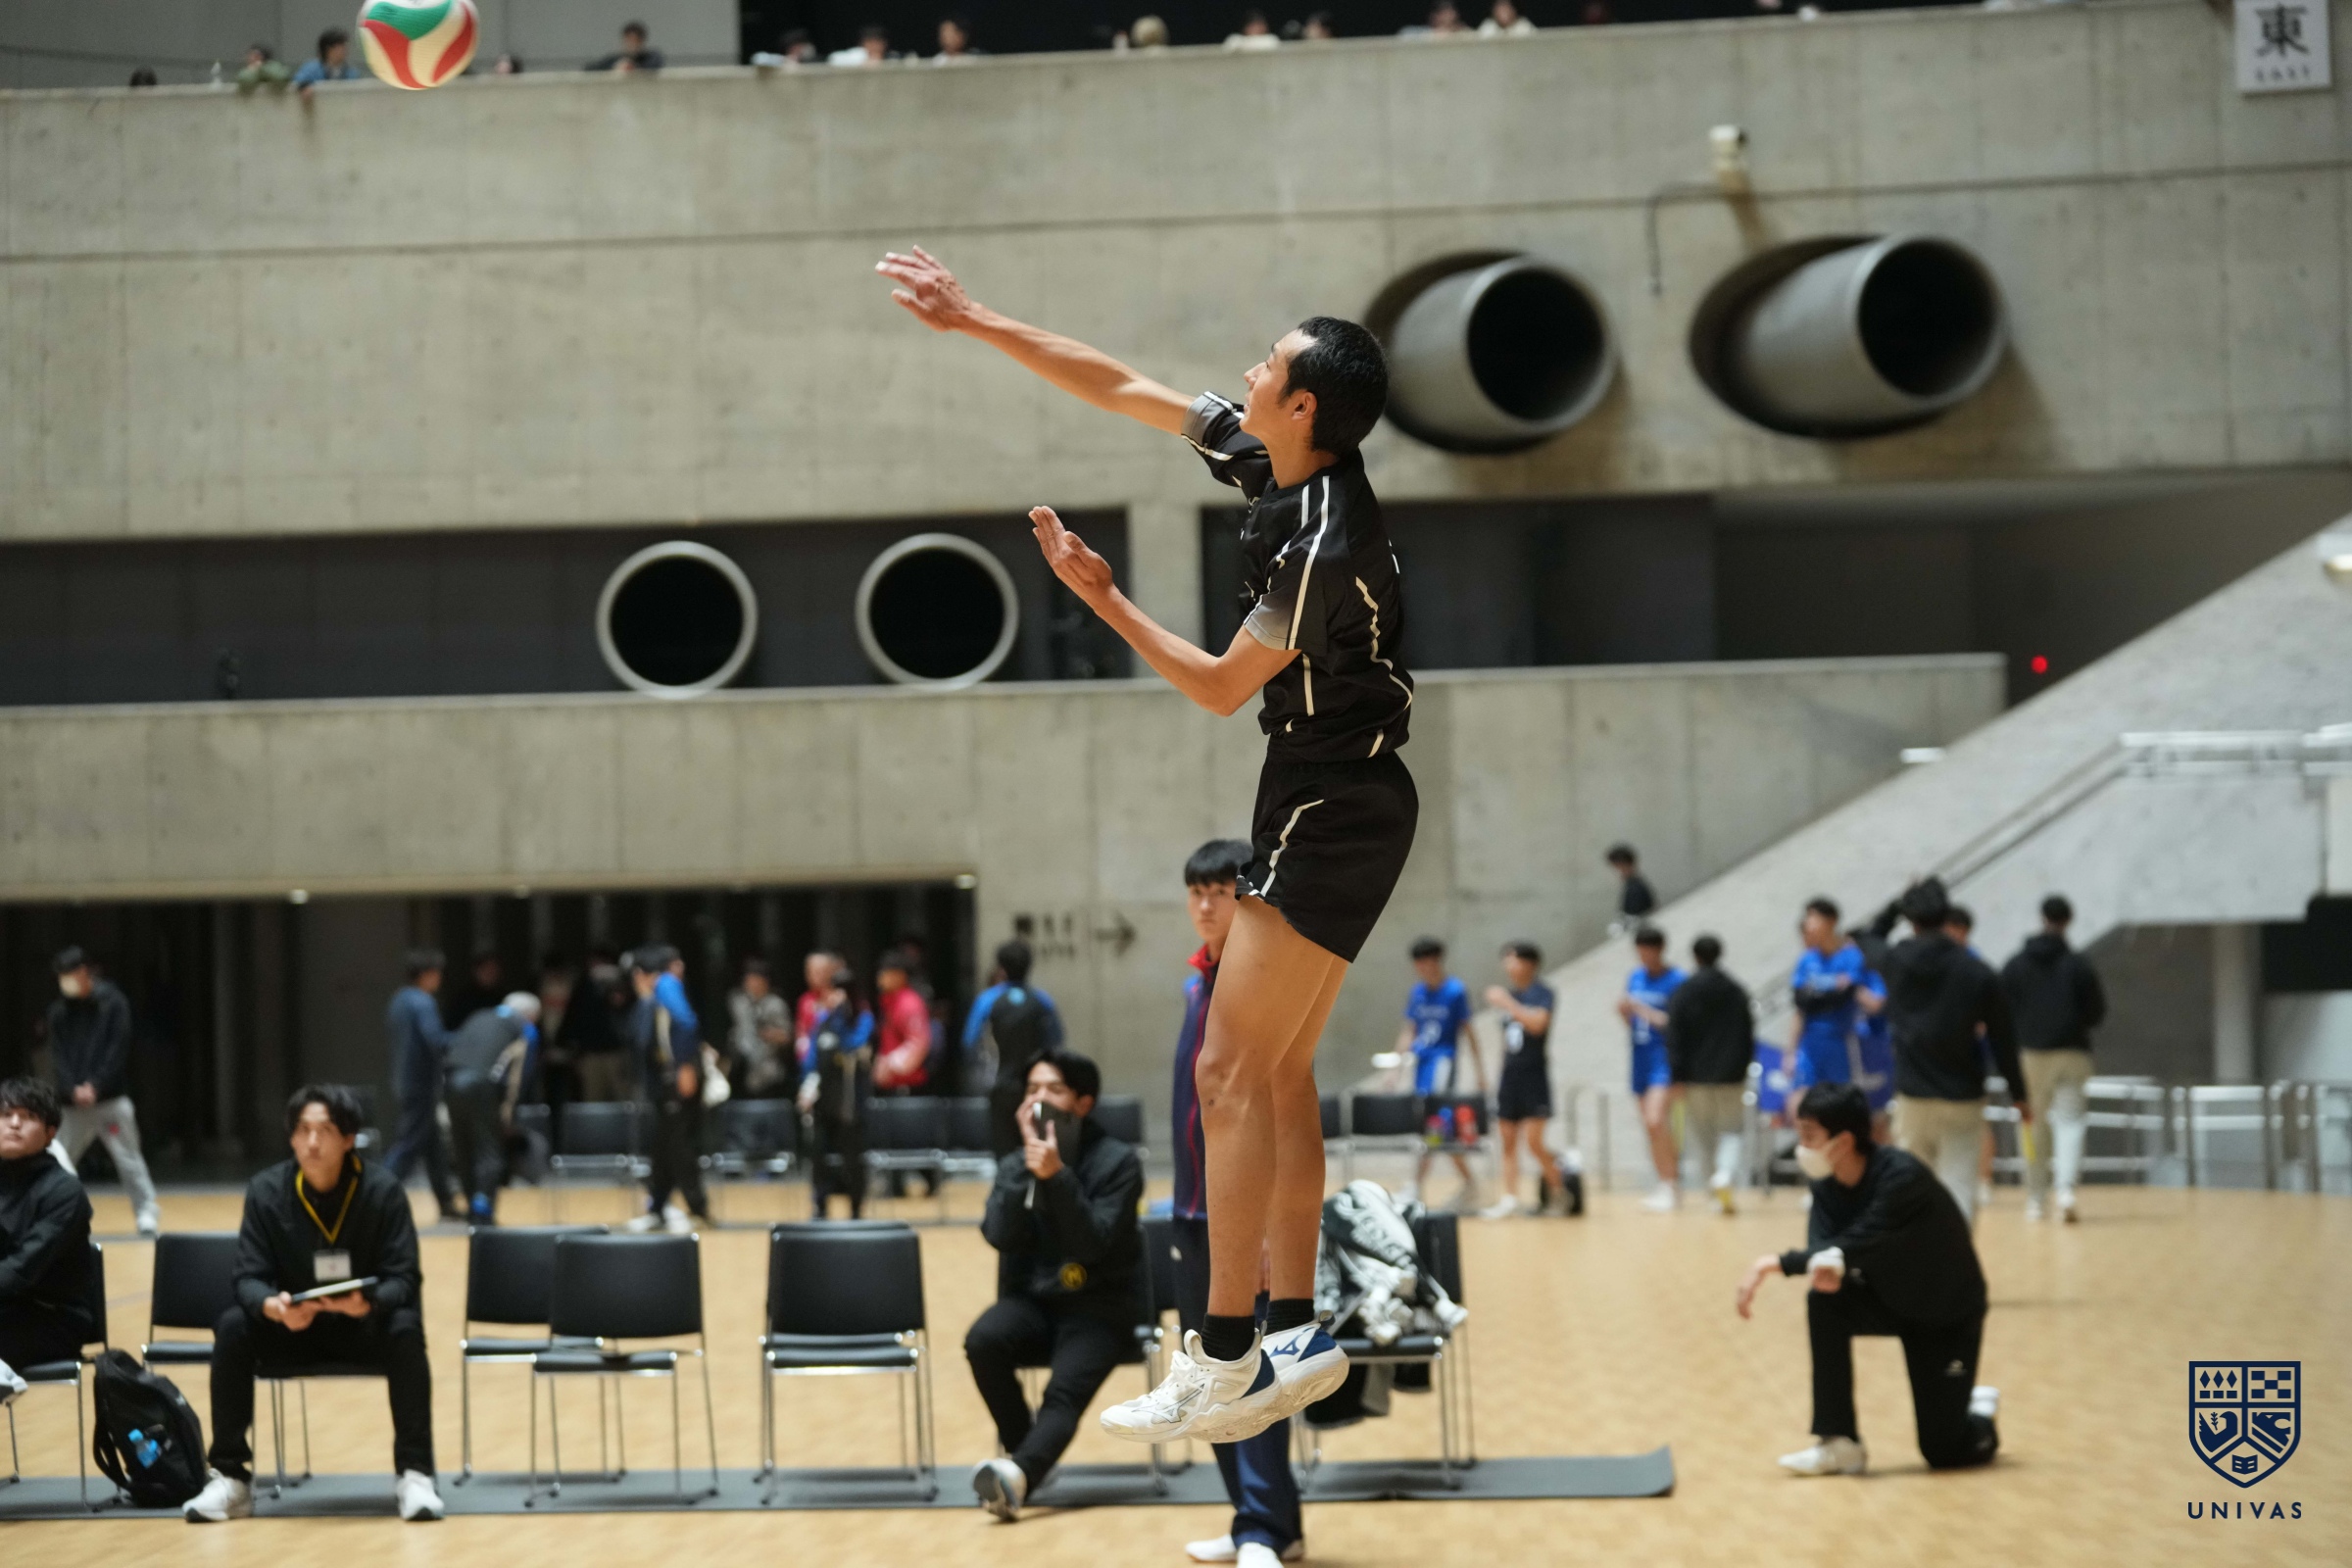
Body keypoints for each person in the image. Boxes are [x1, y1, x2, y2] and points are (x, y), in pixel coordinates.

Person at [875, 246, 1408, 1446]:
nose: (1247, 372)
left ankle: (1220, 1355)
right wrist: (974, 319)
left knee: (1224, 1070)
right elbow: (1121, 386)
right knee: (1275, 1071)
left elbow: (1220, 687)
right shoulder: (1274, 459)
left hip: (1334, 801)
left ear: (1304, 406)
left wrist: (1102, 597)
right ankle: (1293, 1331)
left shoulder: (1325, 542)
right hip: (1333, 792)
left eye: (1267, 365)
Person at [185, 1085, 442, 1523]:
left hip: (361, 1326)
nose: (312, 1142)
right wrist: (273, 1307)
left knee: (405, 1326)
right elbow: (247, 1278)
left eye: (324, 1131)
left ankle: (415, 1475)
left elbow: (405, 1278)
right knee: (233, 1326)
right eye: (303, 1131)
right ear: (291, 1138)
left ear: (349, 1139)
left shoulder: (383, 1192)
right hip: (294, 1327)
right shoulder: (267, 1191)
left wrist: (369, 1303)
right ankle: (230, 1478)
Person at [1734, 1083, 2001, 1479]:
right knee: (1824, 1302)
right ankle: (1840, 1442)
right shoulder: (1826, 1183)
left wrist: (1776, 1263)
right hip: (1886, 1296)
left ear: (1842, 1142)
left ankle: (1980, 1413)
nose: (1801, 1147)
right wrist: (1823, 1271)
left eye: (1808, 1136)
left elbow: (1863, 1238)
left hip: (1943, 1313)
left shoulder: (1902, 1177)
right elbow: (1825, 1246)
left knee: (1943, 1451)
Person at [1166, 840, 1305, 1565]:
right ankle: (1257, 1517)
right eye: (1195, 892)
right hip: (1191, 1214)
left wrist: (1265, 1235)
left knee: (1249, 1376)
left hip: (1239, 1222)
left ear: (1247, 900)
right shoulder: (1200, 983)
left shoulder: (1258, 988)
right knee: (1209, 1377)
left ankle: (1266, 1529)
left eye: (1218, 892)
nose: (1204, 905)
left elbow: (1278, 1116)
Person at [965, 1051, 1145, 1520]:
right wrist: (1026, 1171)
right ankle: (1026, 1463)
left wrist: (1058, 1177)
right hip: (1034, 1302)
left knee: (1062, 1394)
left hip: (1099, 1307)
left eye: (1053, 1089)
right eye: (1031, 1090)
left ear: (1083, 1103)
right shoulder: (1015, 1162)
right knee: (983, 1340)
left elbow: (1094, 1243)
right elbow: (998, 1235)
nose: (1039, 1099)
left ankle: (1020, 1473)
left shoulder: (1118, 1163)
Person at [1858, 881, 2023, 1224]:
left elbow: (1866, 937)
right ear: (1946, 915)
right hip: (1963, 1094)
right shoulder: (1977, 971)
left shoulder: (1896, 961)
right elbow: (2003, 1038)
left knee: (1912, 1185)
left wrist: (1896, 906)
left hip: (1913, 1094)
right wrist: (2019, 1094)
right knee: (1959, 1184)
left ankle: (1919, 1255)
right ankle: (1955, 1254)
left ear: (1911, 920)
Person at [2000, 895, 2107, 1223]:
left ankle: (2035, 1198)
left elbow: (2002, 1010)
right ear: (2068, 921)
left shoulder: (2016, 964)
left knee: (2032, 1124)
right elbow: (2097, 1012)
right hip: (2073, 1052)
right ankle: (2066, 1191)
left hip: (2031, 1054)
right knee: (2071, 1121)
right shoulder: (2079, 964)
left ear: (2042, 917)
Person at [45, 947, 161, 1237]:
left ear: (84, 972)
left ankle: (146, 1211)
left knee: (128, 1159)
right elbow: (58, 1056)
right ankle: (55, 1214)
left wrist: (96, 1085)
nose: (66, 981)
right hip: (72, 1103)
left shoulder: (113, 1003)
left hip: (110, 1100)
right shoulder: (59, 1011)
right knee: (57, 1159)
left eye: (70, 974)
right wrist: (72, 1088)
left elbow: (117, 1050)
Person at [0, 1077, 99, 1406]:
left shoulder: (64, 1192)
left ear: (50, 1133)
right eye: (5, 1115)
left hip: (52, 1319)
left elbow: (22, 1268)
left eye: (27, 1116)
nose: (14, 1123)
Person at [1393, 938, 1481, 1208]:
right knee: (1436, 1129)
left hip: (1443, 1065)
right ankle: (1469, 1183)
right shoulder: (1417, 992)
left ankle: (1416, 1184)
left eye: (1428, 961)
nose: (1424, 967)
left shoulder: (1455, 991)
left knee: (1435, 1124)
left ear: (1437, 961)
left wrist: (1480, 1072)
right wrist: (1396, 1066)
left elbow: (1468, 1031)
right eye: (1419, 963)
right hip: (1422, 1066)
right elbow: (1410, 1030)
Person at [1667, 934, 1752, 1214]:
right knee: (1732, 1130)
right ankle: (1725, 1174)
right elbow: (1747, 1035)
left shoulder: (1684, 991)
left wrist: (1677, 1075)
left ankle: (1712, 1192)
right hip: (1732, 1075)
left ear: (1695, 956)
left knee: (1703, 1136)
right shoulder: (1736, 991)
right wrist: (1742, 1066)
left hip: (1695, 1077)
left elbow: (1674, 1036)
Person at [625, 947, 709, 1234]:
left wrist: (685, 1066)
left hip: (677, 1079)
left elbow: (686, 1022)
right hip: (664, 1083)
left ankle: (698, 1209)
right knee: (663, 1147)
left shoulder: (665, 984)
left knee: (679, 1146)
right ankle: (657, 1208)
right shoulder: (653, 995)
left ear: (641, 973)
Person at [1482, 941, 1563, 1219]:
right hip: (1511, 1075)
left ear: (1529, 963)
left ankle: (1559, 1192)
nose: (1508, 965)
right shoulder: (1514, 995)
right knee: (1507, 1139)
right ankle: (1509, 1198)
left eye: (1513, 959)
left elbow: (1538, 1025)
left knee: (1534, 1142)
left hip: (1534, 1074)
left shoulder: (1542, 993)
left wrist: (1506, 1003)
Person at [444, 993, 539, 1223]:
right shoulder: (524, 1029)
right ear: (529, 1015)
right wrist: (509, 1113)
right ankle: (483, 1208)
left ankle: (471, 1206)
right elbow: (519, 1075)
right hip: (482, 1086)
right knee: (489, 1150)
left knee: (463, 1148)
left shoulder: (477, 1016)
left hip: (451, 1082)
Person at [383, 949, 464, 1222]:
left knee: (433, 1147)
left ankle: (446, 1202)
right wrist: (466, 1039)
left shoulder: (399, 1000)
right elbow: (436, 1040)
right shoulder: (423, 1002)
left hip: (404, 1080)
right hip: (421, 1083)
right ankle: (373, 1196)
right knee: (408, 1145)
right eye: (438, 973)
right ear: (427, 974)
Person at [966, 940, 1066, 1153]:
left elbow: (969, 1041)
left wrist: (981, 1072)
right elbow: (1057, 1041)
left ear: (1001, 967)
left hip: (1000, 1083)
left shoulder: (988, 999)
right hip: (1035, 1086)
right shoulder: (1042, 1000)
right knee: (1036, 1147)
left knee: (1004, 1150)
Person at [799, 967, 875, 1218]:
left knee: (852, 1156)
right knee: (818, 1153)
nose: (835, 996)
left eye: (842, 991)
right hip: (824, 1097)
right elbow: (811, 1057)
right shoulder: (823, 1018)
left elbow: (853, 1045)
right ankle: (820, 1205)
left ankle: (856, 1207)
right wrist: (807, 1086)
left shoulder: (862, 1018)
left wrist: (843, 1016)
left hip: (850, 1098)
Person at [1618, 926, 1685, 1210]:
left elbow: (1678, 1024)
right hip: (1640, 1057)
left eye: (1649, 950)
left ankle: (1672, 1183)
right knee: (1649, 1125)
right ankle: (1663, 1182)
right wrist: (1625, 1014)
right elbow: (1634, 1023)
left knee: (1656, 1119)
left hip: (1665, 1058)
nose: (1644, 956)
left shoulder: (1677, 980)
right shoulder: (1635, 977)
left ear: (1660, 949)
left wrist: (1641, 1009)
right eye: (1640, 950)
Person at [1787, 898, 1882, 1092]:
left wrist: (1817, 992)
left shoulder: (1851, 956)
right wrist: (1790, 1051)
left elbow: (1845, 996)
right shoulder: (1807, 960)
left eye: (1814, 919)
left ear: (1831, 921)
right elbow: (1800, 1002)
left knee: (1840, 1096)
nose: (1809, 925)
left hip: (1841, 1040)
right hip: (1810, 1041)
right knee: (1800, 1096)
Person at [559, 947, 631, 1102]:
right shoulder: (584, 987)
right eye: (594, 963)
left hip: (616, 1052)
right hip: (590, 1053)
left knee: (623, 1096)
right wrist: (571, 1048)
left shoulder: (622, 984)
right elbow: (573, 1017)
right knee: (593, 1098)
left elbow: (626, 1011)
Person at [731, 958, 797, 1096]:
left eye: (756, 980)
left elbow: (788, 1037)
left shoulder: (776, 1005)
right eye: (749, 980)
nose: (752, 984)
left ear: (765, 982)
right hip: (743, 1068)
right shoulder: (739, 1003)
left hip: (769, 1070)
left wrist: (769, 1033)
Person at [292, 27, 361, 92]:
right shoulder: (311, 69)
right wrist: (304, 87)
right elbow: (297, 82)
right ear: (328, 49)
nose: (345, 50)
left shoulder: (351, 73)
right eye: (340, 46)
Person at [1605, 843, 1657, 930]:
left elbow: (1635, 918)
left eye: (1615, 867)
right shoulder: (1632, 885)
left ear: (1623, 865)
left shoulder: (1635, 888)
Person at [587, 22, 664, 73]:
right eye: (628, 40)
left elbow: (654, 66)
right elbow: (590, 68)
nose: (631, 44)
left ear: (641, 42)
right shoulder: (614, 59)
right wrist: (614, 68)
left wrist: (634, 68)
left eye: (635, 41)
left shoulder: (651, 57)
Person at [830, 24, 895, 65]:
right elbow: (833, 58)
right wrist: (863, 62)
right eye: (870, 42)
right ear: (863, 43)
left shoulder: (892, 57)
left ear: (884, 44)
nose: (874, 46)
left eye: (877, 42)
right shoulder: (857, 54)